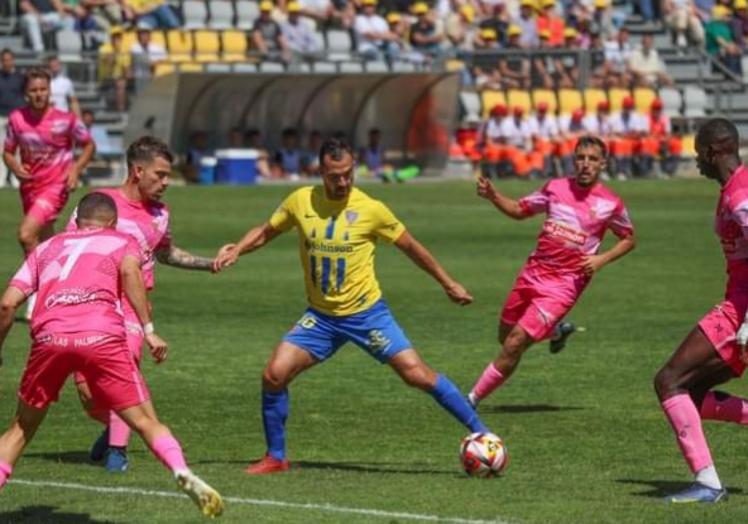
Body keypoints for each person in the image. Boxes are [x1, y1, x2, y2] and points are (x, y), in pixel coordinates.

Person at [214, 138, 490, 474]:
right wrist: (237, 250)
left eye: (348, 174)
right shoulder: (301, 200)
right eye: (335, 176)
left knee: (417, 375)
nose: (343, 182)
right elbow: (266, 232)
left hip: (367, 315)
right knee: (274, 375)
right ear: (321, 172)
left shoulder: (371, 209)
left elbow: (411, 247)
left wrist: (448, 283)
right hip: (321, 318)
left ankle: (483, 433)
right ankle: (276, 457)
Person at [0, 192, 223, 518]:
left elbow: (7, 305)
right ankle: (180, 470)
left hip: (49, 339)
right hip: (101, 336)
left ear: (76, 221)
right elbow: (132, 273)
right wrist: (148, 329)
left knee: (20, 429)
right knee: (147, 422)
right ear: (113, 223)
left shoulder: (46, 247)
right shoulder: (121, 242)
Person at [67, 136, 219, 473]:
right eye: (160, 174)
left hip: (133, 304)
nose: (166, 182)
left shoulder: (160, 214)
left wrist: (209, 264)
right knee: (88, 394)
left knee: (125, 366)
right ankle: (115, 425)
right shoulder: (98, 204)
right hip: (93, 301)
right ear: (138, 171)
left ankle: (117, 453)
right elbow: (68, 247)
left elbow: (165, 253)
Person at [467, 135, 636, 407]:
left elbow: (629, 238)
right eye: (580, 158)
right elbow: (520, 210)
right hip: (533, 272)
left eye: (592, 159)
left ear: (603, 163)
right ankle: (556, 332)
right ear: (573, 160)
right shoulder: (555, 188)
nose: (585, 164)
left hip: (565, 285)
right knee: (505, 336)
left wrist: (600, 260)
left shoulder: (610, 204)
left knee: (514, 343)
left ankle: (470, 400)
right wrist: (493, 196)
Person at [653, 118, 748, 504]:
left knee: (669, 381)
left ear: (714, 151)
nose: (696, 162)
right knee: (690, 392)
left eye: (698, 154)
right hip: (737, 305)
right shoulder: (732, 191)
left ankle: (708, 485)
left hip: (739, 311)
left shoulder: (741, 197)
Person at [3, 67, 94, 322]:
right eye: (33, 90)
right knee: (45, 241)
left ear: (50, 91)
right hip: (30, 186)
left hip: (56, 185)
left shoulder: (66, 120)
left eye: (43, 89)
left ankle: (37, 291)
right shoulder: (17, 120)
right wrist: (15, 167)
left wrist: (75, 169)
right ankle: (59, 287)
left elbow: (88, 144)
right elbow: (8, 150)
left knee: (26, 234)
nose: (39, 94)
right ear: (25, 93)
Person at [0, 49, 25, 189]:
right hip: (1, 117)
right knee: (1, 150)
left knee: (17, 151)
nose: (6, 62)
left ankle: (17, 179)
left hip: (16, 118)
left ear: (13, 60)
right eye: (4, 60)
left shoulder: (20, 77)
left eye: (9, 59)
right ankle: (1, 179)